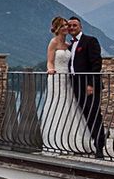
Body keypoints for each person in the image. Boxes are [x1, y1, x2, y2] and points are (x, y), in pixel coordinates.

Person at [40, 16, 93, 154]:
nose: (66, 28)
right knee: (58, 105)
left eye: (66, 25)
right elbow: (50, 61)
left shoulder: (69, 44)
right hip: (57, 77)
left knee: (70, 106)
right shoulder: (53, 42)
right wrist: (51, 69)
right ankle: (58, 141)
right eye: (63, 25)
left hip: (68, 78)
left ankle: (73, 140)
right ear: (57, 28)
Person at [67, 16, 106, 158]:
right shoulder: (70, 45)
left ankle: (100, 146)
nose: (72, 28)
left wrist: (91, 84)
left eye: (74, 25)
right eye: (69, 26)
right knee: (85, 115)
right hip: (75, 85)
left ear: (80, 27)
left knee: (94, 115)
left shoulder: (90, 41)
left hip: (88, 86)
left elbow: (96, 64)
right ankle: (91, 143)